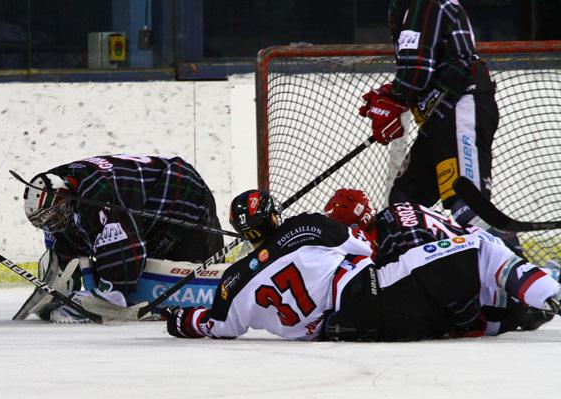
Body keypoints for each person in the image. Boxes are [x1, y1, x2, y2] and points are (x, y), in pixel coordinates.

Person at [161, 189, 561, 341]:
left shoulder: (232, 281)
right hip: (373, 292)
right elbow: (364, 251)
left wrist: (180, 319)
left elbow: (215, 326)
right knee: (479, 247)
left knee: (444, 312)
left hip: (354, 331)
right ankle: (550, 293)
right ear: (275, 214)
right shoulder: (306, 226)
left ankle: (509, 313)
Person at [359, 0, 508, 245]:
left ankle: (517, 265)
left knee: (468, 204)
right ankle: (421, 262)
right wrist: (391, 94)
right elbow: (426, 68)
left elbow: (417, 70)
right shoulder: (408, 6)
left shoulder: (423, 3)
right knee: (405, 203)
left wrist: (395, 99)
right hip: (440, 116)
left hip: (461, 105)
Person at [323, 188, 559, 333]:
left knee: (511, 312)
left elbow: (447, 282)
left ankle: (536, 300)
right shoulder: (393, 213)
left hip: (488, 287)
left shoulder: (401, 242)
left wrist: (465, 324)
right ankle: (542, 280)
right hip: (484, 246)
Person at [21, 154, 224, 322]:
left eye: (55, 216)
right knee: (79, 226)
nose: (53, 225)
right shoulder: (60, 184)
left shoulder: (97, 191)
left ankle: (112, 290)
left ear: (64, 197)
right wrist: (60, 289)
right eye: (45, 222)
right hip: (146, 199)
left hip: (180, 190)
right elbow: (66, 238)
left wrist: (111, 292)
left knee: (207, 281)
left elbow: (123, 242)